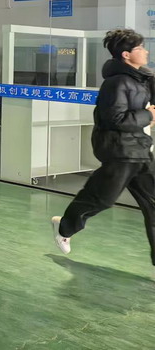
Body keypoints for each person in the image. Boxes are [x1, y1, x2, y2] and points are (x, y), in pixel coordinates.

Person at [52, 28, 155, 267]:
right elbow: (114, 119)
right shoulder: (116, 83)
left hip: (139, 150)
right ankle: (64, 226)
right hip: (119, 151)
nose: (146, 51)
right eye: (140, 48)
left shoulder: (141, 78)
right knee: (101, 199)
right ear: (126, 55)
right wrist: (147, 116)